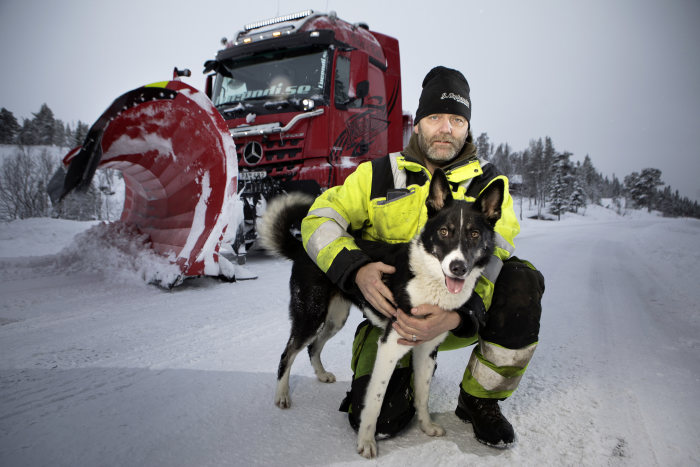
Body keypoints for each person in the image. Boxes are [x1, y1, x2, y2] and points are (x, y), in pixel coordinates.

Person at [300, 66, 544, 448]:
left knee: (521, 279)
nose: (445, 129)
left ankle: (480, 398)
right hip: (394, 318)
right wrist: (355, 268)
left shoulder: (488, 186)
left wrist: (460, 314)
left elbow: (497, 255)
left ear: (467, 128)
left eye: (456, 119)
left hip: (458, 317)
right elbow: (319, 219)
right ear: (418, 123)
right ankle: (396, 378)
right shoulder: (378, 174)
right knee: (377, 420)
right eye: (435, 117)